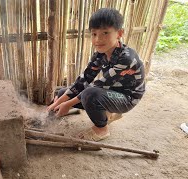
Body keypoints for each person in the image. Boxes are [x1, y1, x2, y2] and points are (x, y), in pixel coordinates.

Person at [47, 8, 145, 141]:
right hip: (110, 92)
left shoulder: (126, 58)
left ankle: (101, 129)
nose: (98, 39)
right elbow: (84, 79)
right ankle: (108, 113)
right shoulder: (100, 53)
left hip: (127, 98)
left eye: (105, 33)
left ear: (119, 33)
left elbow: (99, 85)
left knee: (90, 94)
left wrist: (68, 104)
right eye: (94, 34)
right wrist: (57, 103)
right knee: (62, 92)